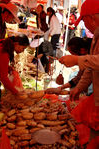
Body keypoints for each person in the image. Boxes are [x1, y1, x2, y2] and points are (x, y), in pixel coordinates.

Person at [58, 0, 99, 147]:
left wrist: (77, 60)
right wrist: (78, 88)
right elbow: (90, 68)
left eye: (84, 20)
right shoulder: (96, 36)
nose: (84, 25)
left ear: (92, 18)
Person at [0, 34, 29, 108]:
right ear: (17, 44)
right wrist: (15, 92)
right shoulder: (4, 52)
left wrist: (8, 67)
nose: (22, 51)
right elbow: (4, 78)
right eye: (23, 48)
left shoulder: (3, 43)